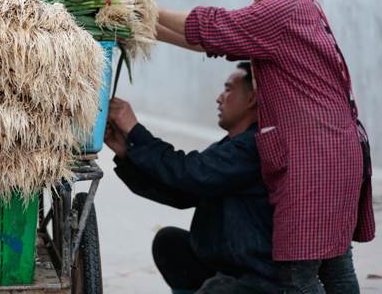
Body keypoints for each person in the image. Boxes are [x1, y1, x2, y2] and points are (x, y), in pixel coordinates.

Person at [156, 0, 373, 292]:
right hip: (336, 152)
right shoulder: (302, 7)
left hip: (315, 158)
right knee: (335, 264)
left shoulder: (281, 11)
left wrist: (145, 8)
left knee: (297, 274)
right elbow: (212, 40)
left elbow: (213, 25)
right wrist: (146, 27)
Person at [105, 62, 281, 293]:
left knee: (217, 288)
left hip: (253, 274)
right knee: (170, 243)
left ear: (252, 99)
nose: (219, 98)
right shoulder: (232, 144)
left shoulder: (253, 146)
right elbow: (182, 193)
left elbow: (189, 173)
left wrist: (135, 131)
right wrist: (127, 155)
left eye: (228, 89)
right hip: (223, 263)